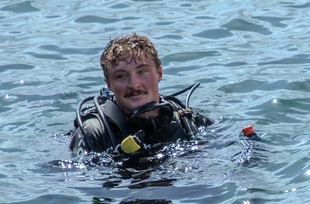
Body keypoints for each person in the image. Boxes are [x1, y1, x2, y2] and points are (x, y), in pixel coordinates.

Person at [70, 34, 211, 155]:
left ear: (159, 73)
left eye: (142, 71)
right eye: (121, 76)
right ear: (109, 84)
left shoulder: (190, 123)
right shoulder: (93, 133)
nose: (134, 84)